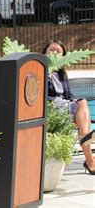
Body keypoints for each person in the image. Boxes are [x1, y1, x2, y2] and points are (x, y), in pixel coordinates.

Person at [42, 40, 95, 175]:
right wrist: (46, 75)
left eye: (58, 52)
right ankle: (89, 157)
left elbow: (69, 95)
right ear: (44, 52)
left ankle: (86, 143)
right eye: (52, 50)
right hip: (50, 107)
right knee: (82, 104)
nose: (54, 53)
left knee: (81, 104)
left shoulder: (62, 74)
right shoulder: (39, 70)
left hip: (65, 107)